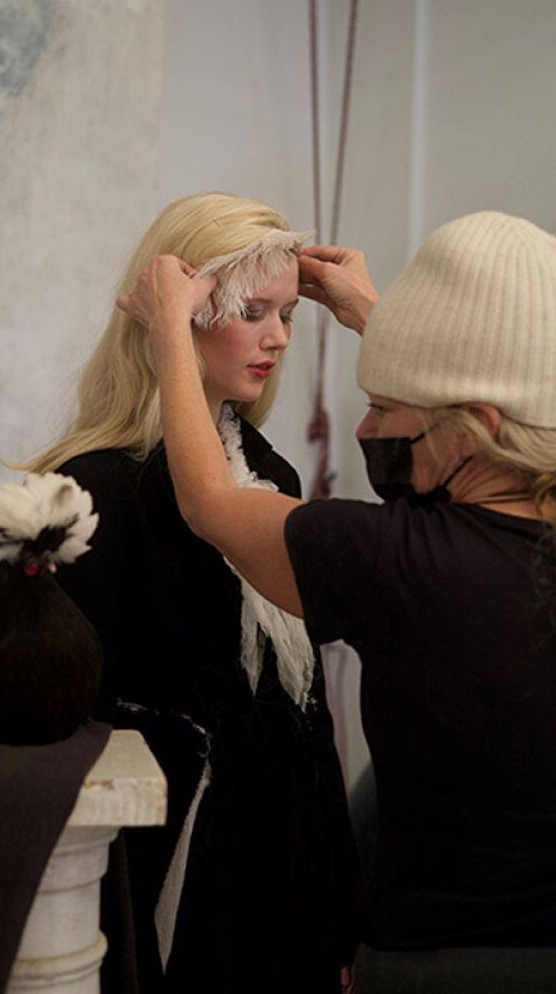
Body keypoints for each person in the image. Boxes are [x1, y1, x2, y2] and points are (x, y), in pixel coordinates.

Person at [117, 208, 556, 993]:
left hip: (439, 963)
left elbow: (209, 502)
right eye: (254, 312)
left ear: (475, 430)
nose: (364, 428)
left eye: (386, 409)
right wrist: (380, 319)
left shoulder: (401, 560)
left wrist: (169, 333)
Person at [24, 192, 361, 993]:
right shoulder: (93, 487)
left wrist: (340, 907)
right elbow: (60, 707)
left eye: (288, 314)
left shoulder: (269, 476)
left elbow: (306, 712)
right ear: (180, 315)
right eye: (252, 311)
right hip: (169, 866)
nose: (279, 338)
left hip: (281, 862)